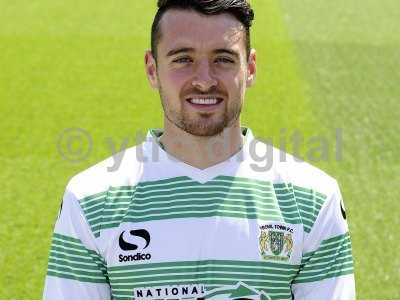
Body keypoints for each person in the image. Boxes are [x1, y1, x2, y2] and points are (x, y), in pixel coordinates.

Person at [43, 0, 355, 299]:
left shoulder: (313, 199)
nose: (204, 81)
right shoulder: (90, 200)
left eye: (223, 59)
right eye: (183, 59)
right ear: (152, 69)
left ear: (250, 68)